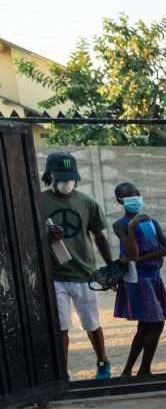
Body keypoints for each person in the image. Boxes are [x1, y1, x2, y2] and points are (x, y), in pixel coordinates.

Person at [41, 151, 115, 379]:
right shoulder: (37, 201)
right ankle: (62, 373)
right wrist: (48, 237)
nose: (65, 182)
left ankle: (102, 362)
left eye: (69, 177)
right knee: (61, 327)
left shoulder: (87, 203)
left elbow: (99, 237)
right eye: (60, 177)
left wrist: (111, 268)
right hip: (54, 275)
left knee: (91, 322)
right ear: (50, 176)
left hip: (84, 273)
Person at [111, 182, 166, 378]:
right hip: (138, 279)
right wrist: (132, 227)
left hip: (154, 278)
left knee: (146, 326)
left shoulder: (152, 222)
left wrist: (143, 258)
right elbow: (131, 252)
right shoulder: (120, 225)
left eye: (137, 193)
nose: (135, 197)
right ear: (120, 200)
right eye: (129, 194)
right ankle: (143, 370)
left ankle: (129, 370)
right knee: (156, 323)